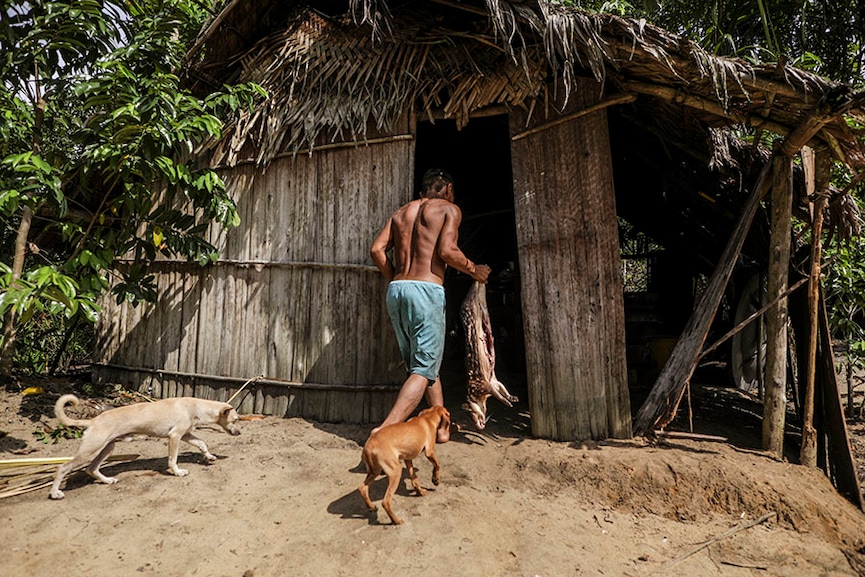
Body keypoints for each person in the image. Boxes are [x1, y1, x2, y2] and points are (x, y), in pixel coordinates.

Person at [370, 168, 491, 443]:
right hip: (427, 290)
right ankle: (384, 432)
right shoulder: (449, 209)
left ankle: (442, 427)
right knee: (423, 369)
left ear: (423, 192)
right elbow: (447, 251)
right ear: (447, 188)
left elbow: (377, 250)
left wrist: (397, 279)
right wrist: (475, 270)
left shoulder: (402, 212)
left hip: (397, 290)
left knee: (424, 365)